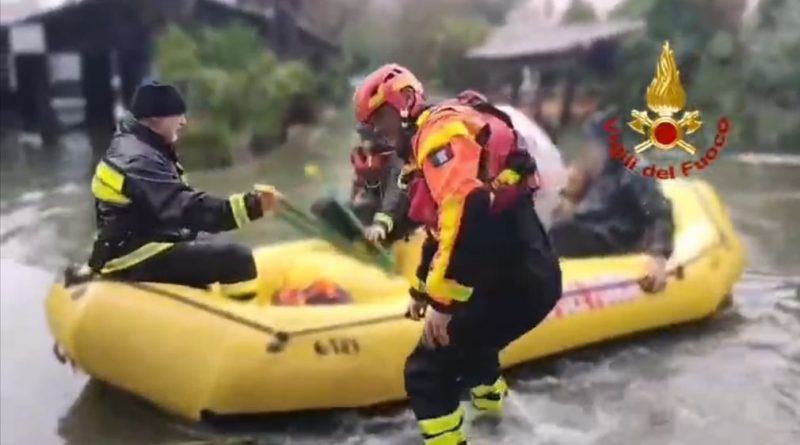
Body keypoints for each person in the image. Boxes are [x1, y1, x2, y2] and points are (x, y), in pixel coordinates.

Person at [353, 64, 562, 445]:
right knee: (475, 354)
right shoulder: (441, 137)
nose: (378, 133)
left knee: (425, 372)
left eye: (380, 120)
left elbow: (468, 214)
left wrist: (444, 302)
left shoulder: (439, 136)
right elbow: (440, 232)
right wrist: (422, 292)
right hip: (520, 272)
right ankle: (500, 428)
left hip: (515, 279)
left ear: (404, 103)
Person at [87, 81, 281, 300]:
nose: (184, 121)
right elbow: (183, 207)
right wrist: (252, 205)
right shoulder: (137, 158)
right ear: (155, 118)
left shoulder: (142, 146)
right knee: (239, 259)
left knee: (216, 244)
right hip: (131, 255)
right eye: (178, 115)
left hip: (148, 239)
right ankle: (245, 325)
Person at [548, 113, 675, 293]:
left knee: (561, 233)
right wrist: (569, 194)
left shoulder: (635, 172)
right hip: (591, 233)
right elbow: (574, 208)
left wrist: (658, 257)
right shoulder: (595, 172)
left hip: (617, 240)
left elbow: (659, 215)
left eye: (593, 146)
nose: (589, 152)